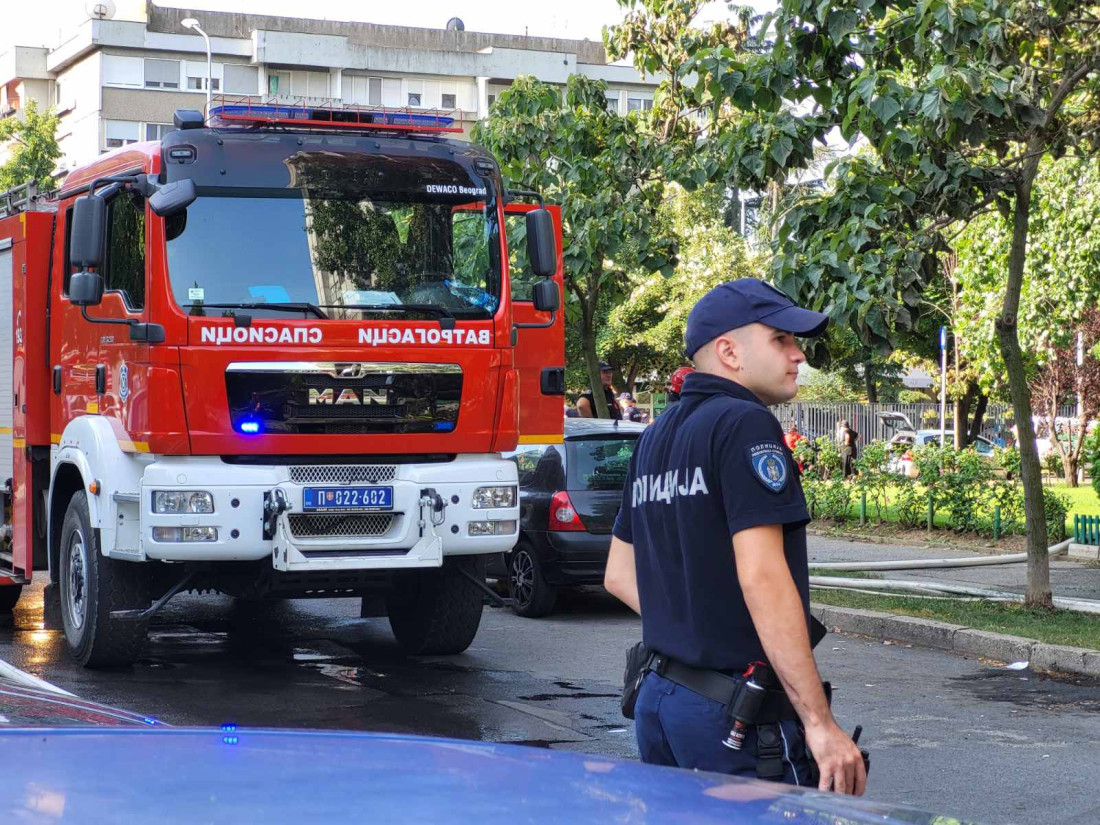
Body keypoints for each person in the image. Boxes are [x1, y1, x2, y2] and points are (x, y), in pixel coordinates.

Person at [604, 277, 866, 796]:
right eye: (781, 340)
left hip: (660, 702)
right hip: (730, 720)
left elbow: (618, 573)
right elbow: (762, 577)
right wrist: (819, 723)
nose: (798, 356)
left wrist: (695, 625)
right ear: (729, 351)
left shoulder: (656, 435)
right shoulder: (745, 424)